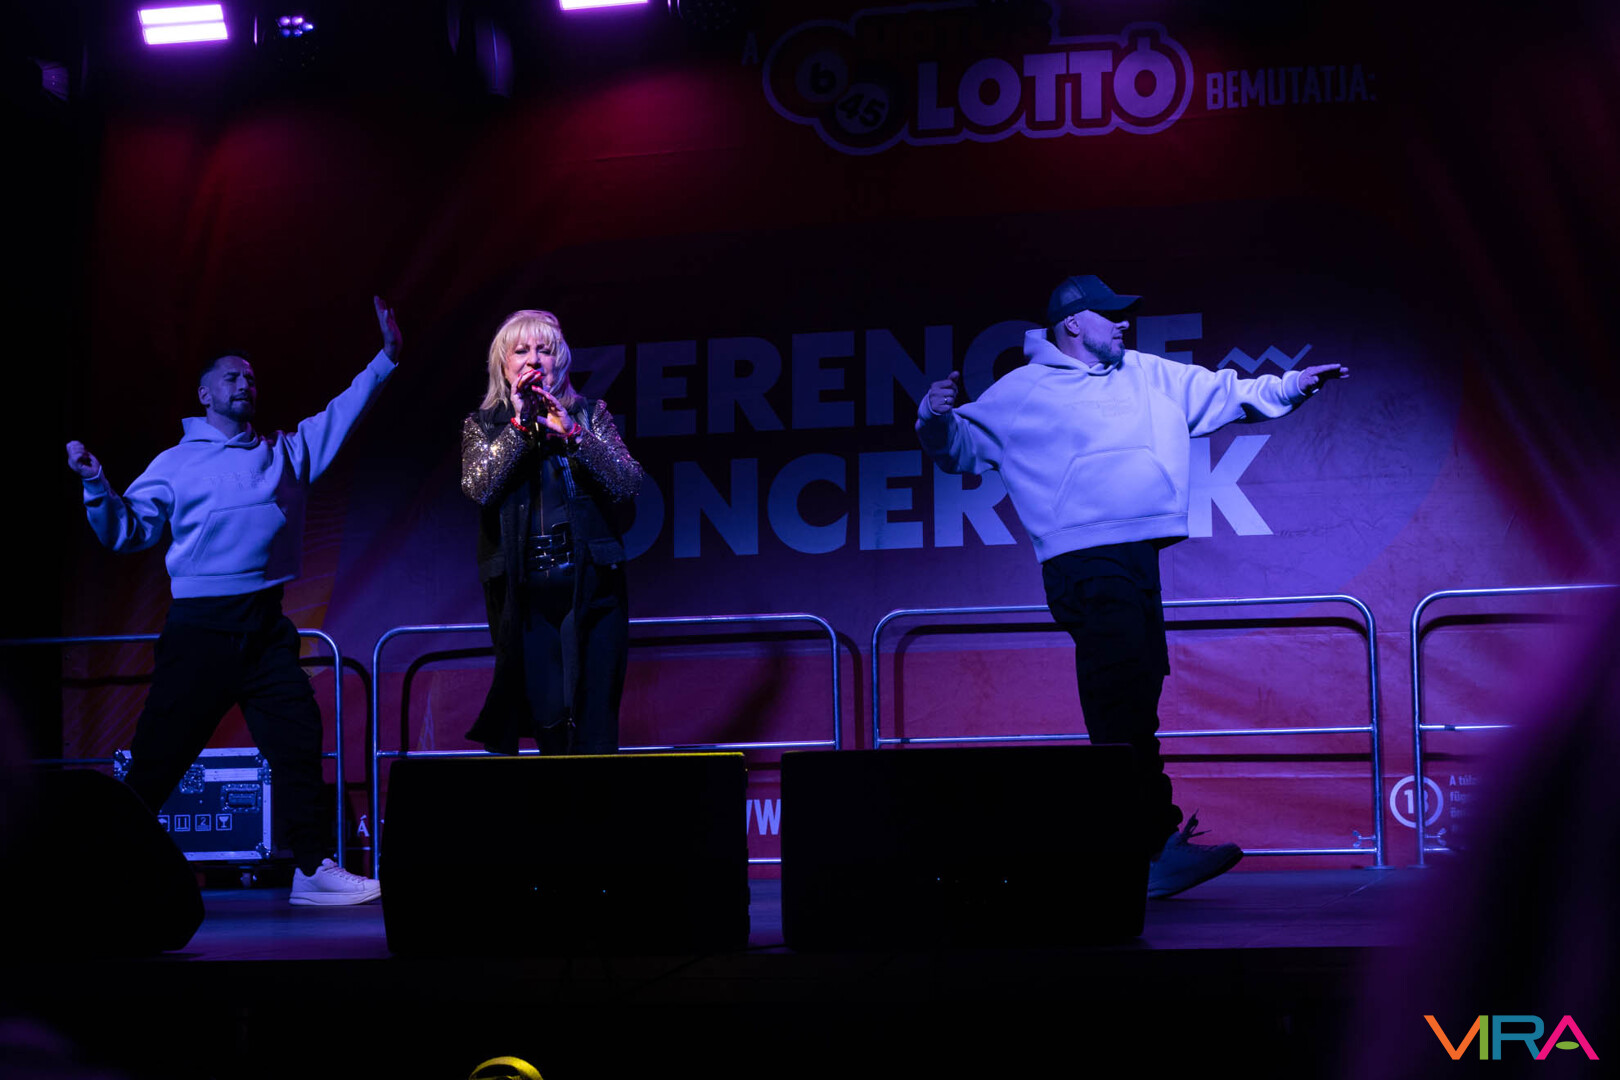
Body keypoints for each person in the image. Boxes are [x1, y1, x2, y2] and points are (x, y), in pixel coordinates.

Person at [916, 275, 1348, 899]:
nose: (1123, 323)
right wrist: (933, 417)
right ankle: (1144, 849)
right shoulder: (1021, 391)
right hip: (1082, 561)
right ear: (1072, 324)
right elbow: (959, 447)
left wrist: (1292, 385)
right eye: (1109, 314)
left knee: (1136, 698)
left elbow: (1225, 392)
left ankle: (1140, 849)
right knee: (1119, 703)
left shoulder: (1148, 374)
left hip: (1137, 556)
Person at [65, 296, 401, 906]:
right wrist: (95, 483)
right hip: (200, 630)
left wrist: (384, 359)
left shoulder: (283, 452)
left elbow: (339, 415)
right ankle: (97, 873)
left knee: (297, 739)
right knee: (157, 760)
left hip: (265, 625)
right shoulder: (175, 463)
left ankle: (311, 868)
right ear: (204, 394)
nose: (245, 383)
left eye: (250, 377)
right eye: (231, 377)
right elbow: (127, 531)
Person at [460, 310, 643, 757]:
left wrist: (575, 435)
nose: (533, 360)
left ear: (560, 360)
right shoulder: (484, 425)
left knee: (596, 720)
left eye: (544, 350)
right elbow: (480, 487)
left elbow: (628, 483)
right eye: (521, 351)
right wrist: (520, 425)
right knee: (548, 719)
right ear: (503, 364)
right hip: (525, 596)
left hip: (593, 588)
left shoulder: (590, 414)